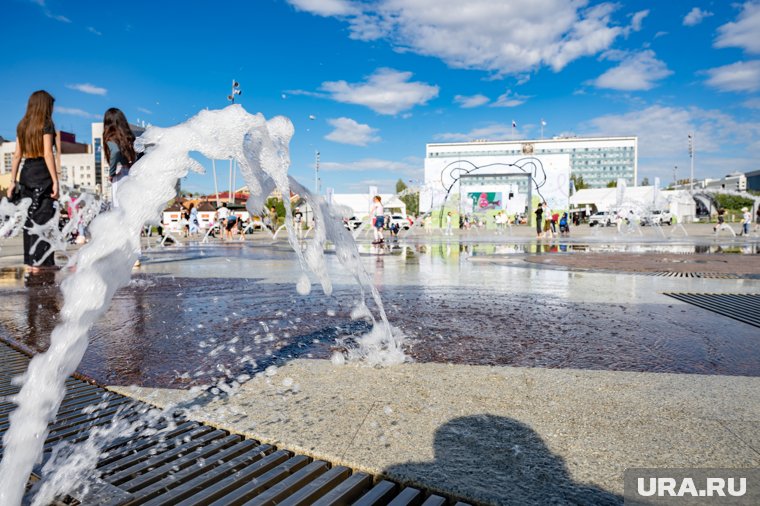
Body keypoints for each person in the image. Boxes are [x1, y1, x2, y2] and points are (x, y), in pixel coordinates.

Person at [7, 90, 60, 273]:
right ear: (45, 106)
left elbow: (16, 155)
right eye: (51, 106)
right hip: (42, 173)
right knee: (44, 218)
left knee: (30, 219)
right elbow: (47, 153)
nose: (52, 110)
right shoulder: (46, 123)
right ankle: (42, 262)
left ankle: (31, 261)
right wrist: (55, 181)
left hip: (26, 174)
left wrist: (12, 181)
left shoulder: (22, 125)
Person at [104, 108, 137, 209]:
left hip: (120, 175)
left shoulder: (111, 136)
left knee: (119, 210)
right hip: (131, 174)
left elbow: (115, 151)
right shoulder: (129, 137)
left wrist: (111, 173)